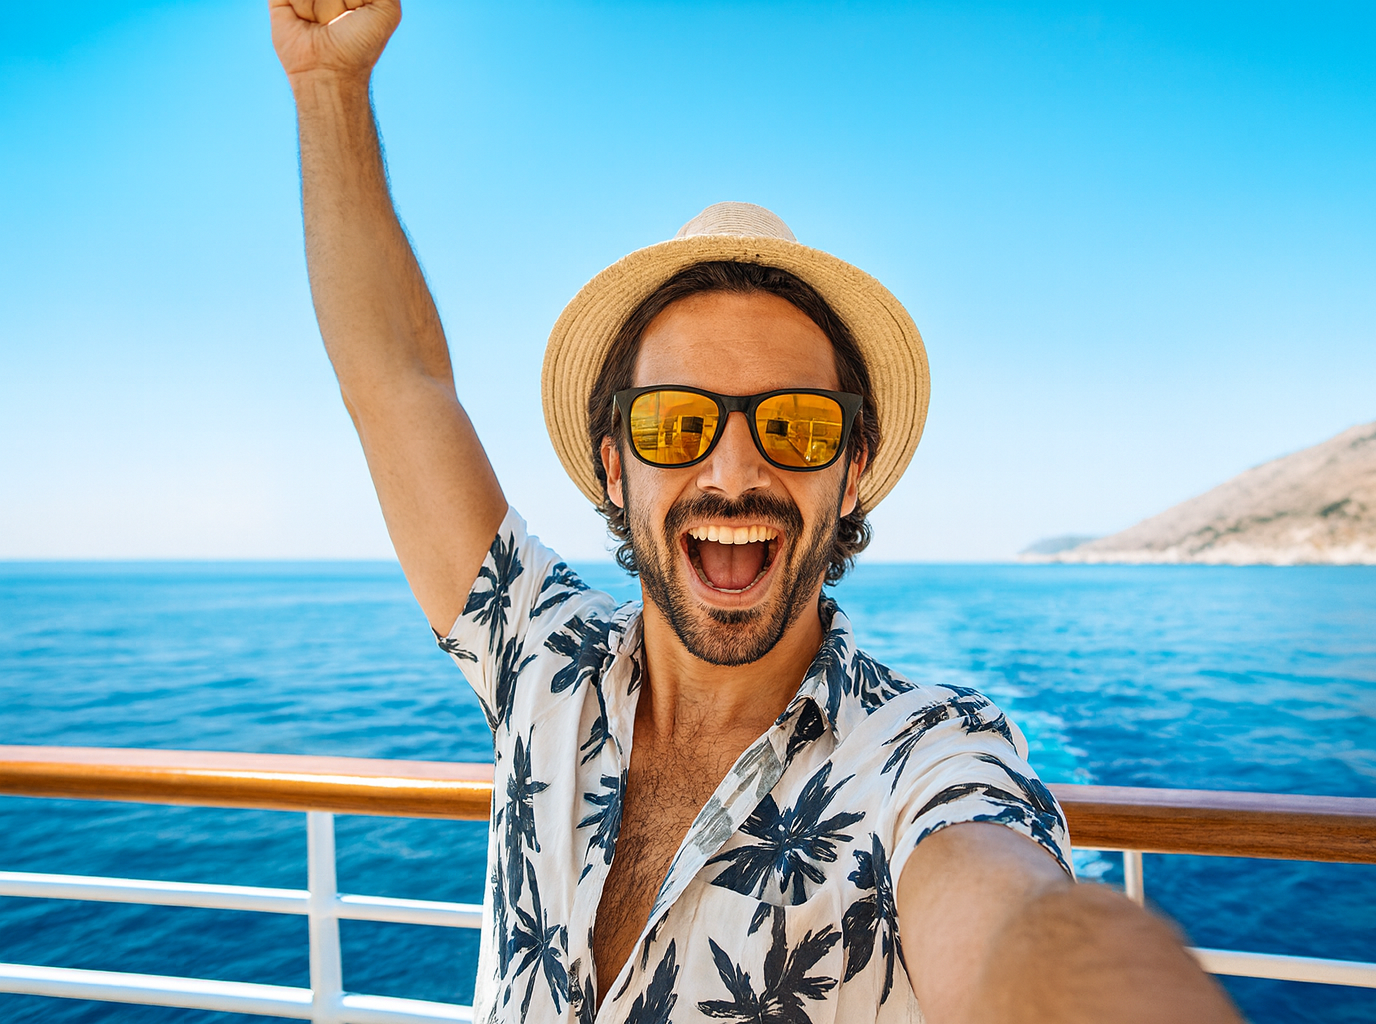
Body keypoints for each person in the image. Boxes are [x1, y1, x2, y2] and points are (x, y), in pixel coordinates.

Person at [269, 2, 1245, 1022]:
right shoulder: (540, 666)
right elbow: (399, 386)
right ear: (615, 466)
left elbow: (1021, 927)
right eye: (677, 422)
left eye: (794, 424)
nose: (733, 470)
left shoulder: (925, 758)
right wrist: (328, 89)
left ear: (853, 469)